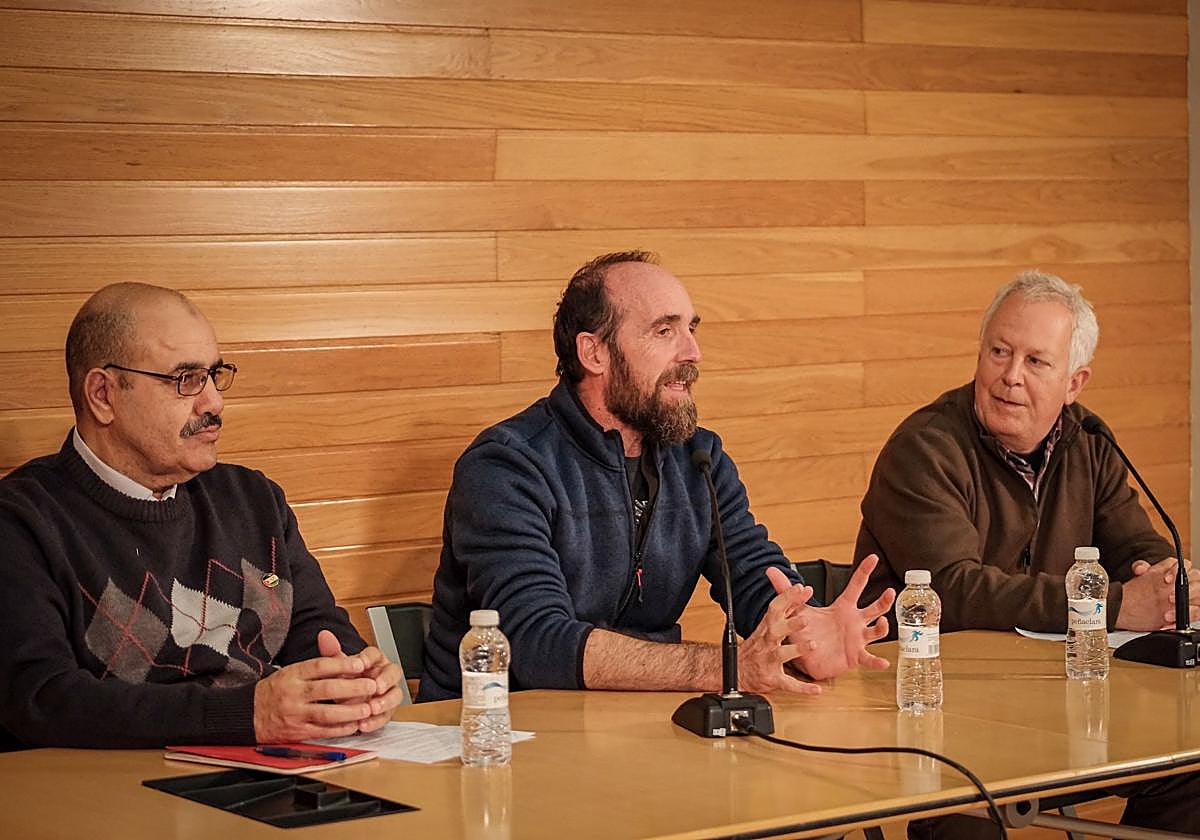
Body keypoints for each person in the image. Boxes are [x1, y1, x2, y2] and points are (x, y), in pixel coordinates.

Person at [420, 251, 896, 702]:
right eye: (664, 331)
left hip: (633, 729)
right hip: (501, 739)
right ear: (595, 353)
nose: (693, 353)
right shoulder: (507, 466)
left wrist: (807, 633)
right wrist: (728, 667)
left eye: (690, 328)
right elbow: (536, 643)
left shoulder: (699, 458)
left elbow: (753, 577)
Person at [854, 269, 1200, 838]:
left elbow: (1137, 545)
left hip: (1061, 706)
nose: (1009, 377)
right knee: (965, 816)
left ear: (1074, 382)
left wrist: (1164, 582)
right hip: (938, 719)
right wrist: (1113, 607)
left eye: (1036, 362)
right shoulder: (924, 449)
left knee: (1190, 770)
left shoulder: (1089, 440)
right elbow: (953, 591)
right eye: (998, 352)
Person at [0, 283, 403, 750]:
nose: (214, 402)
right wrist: (247, 714)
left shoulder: (253, 499)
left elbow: (315, 629)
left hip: (269, 776)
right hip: (108, 801)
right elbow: (41, 701)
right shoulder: (22, 523)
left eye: (214, 374)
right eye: (185, 379)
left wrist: (354, 681)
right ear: (103, 395)